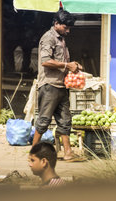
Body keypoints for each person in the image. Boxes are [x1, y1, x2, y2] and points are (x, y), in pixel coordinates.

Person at [33, 9, 83, 161]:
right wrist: (67, 65)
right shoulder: (48, 38)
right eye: (65, 27)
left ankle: (68, 153)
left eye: (69, 28)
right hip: (49, 86)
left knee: (65, 121)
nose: (68, 31)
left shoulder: (61, 38)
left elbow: (61, 62)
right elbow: (45, 61)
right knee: (43, 121)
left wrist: (73, 67)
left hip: (61, 86)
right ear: (56, 24)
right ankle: (33, 153)